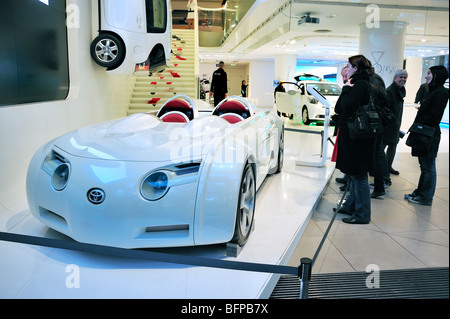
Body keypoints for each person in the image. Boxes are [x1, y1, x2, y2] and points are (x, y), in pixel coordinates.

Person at [334, 55, 381, 224]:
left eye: (348, 66)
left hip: (358, 139)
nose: (346, 69)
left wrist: (346, 89)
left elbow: (344, 108)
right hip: (359, 137)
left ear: (356, 68)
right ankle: (350, 206)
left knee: (359, 177)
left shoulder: (359, 85)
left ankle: (362, 215)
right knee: (355, 175)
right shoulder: (364, 83)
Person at [405, 65, 449, 206]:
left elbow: (434, 116)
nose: (426, 76)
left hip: (429, 134)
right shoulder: (433, 90)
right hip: (425, 133)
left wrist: (419, 123)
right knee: (424, 166)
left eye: (429, 73)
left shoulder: (440, 92)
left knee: (428, 167)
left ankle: (426, 197)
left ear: (436, 75)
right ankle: (420, 193)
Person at [384, 70, 408, 177]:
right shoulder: (390, 91)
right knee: (382, 147)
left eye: (405, 77)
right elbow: (386, 109)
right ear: (395, 78)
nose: (403, 79)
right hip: (388, 125)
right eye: (401, 77)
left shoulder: (400, 90)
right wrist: (392, 121)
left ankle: (388, 167)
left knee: (393, 145)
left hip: (395, 124)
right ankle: (380, 168)